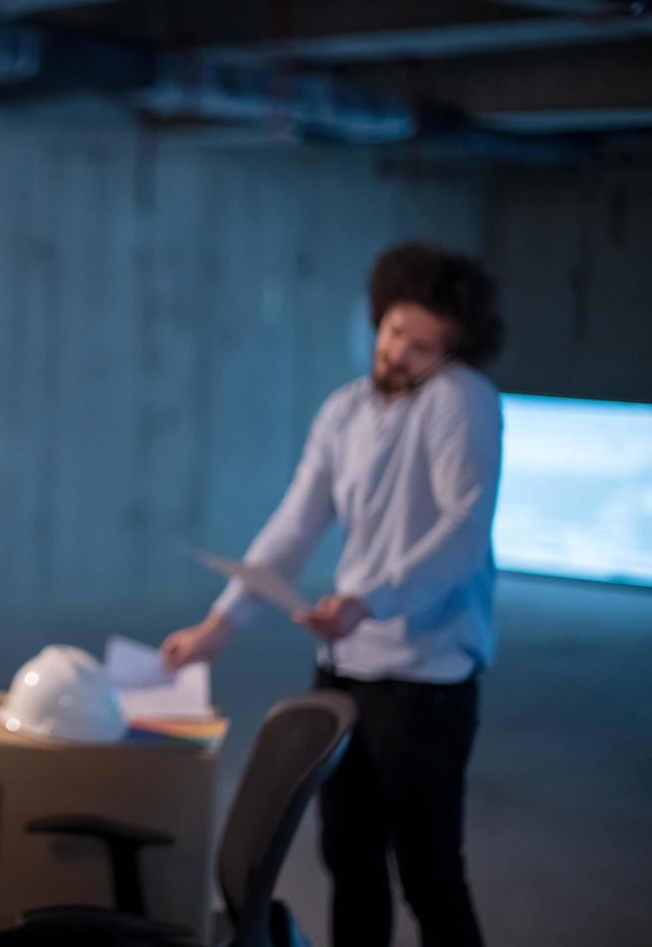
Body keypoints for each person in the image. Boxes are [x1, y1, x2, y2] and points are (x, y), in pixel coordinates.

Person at [163, 242, 505, 947]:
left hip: (425, 679)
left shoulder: (462, 399)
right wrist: (218, 626)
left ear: (453, 350)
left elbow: (463, 533)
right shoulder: (346, 408)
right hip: (346, 667)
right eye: (396, 332)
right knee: (348, 862)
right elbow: (294, 524)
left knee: (430, 873)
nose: (402, 353)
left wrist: (368, 600)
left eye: (426, 345)